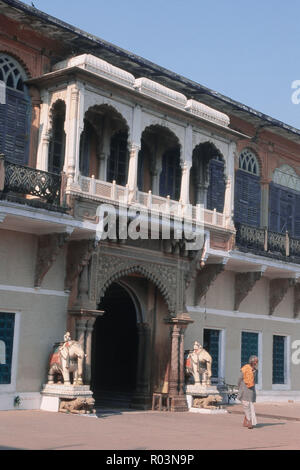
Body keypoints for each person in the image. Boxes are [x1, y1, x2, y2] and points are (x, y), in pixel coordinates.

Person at [238, 355, 258, 429]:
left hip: (251, 389)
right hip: (244, 388)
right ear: (252, 361)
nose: (256, 362)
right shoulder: (245, 368)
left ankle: (248, 422)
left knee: (249, 405)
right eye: (255, 361)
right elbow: (240, 378)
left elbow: (254, 380)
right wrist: (239, 385)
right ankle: (249, 421)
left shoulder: (255, 370)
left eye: (257, 361)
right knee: (246, 405)